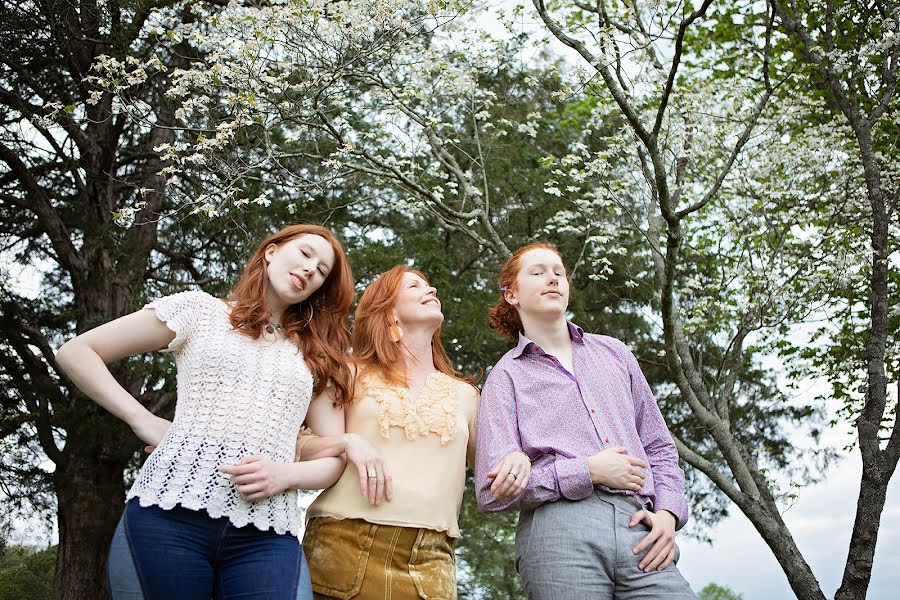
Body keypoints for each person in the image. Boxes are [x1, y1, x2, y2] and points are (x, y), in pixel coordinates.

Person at [56, 224, 355, 600]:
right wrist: (143, 420)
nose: (311, 269)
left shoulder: (317, 357)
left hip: (267, 535)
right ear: (272, 252)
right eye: (306, 254)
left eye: (323, 271)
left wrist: (285, 474)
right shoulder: (199, 310)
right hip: (168, 516)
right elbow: (76, 352)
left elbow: (334, 458)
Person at [474, 243, 696, 600]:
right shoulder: (505, 377)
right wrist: (586, 471)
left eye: (558, 272)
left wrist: (669, 513)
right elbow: (490, 494)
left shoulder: (615, 353)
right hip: (557, 531)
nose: (552, 278)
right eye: (538, 272)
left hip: (639, 526)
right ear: (511, 294)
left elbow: (658, 446)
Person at [298, 265, 511, 600]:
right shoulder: (347, 373)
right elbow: (297, 444)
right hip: (341, 548)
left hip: (431, 562)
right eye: (414, 286)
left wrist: (519, 460)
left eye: (429, 285)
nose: (431, 290)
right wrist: (346, 442)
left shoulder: (467, 395)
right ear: (388, 312)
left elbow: (494, 476)